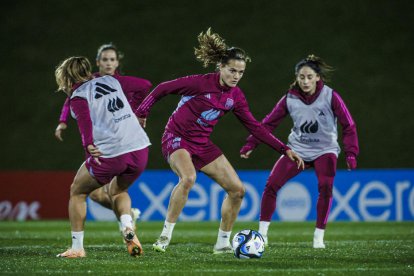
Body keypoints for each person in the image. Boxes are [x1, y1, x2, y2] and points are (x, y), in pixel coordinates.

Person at [136, 28, 304, 254]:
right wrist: (143, 111)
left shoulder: (236, 96)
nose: (236, 76)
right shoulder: (200, 83)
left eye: (241, 72)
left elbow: (254, 126)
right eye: (232, 70)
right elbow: (163, 88)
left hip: (202, 144)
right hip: (176, 138)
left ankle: (223, 243)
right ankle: (165, 236)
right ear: (221, 67)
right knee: (188, 178)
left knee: (237, 190)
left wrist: (284, 149)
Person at [240, 54, 359, 249]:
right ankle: (262, 236)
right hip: (297, 150)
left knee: (326, 188)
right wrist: (251, 144)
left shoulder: (330, 96)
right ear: (296, 77)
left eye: (310, 77)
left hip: (325, 150)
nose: (305, 81)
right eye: (301, 77)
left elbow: (349, 125)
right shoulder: (289, 98)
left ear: (318, 77)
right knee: (271, 185)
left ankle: (318, 238)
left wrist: (351, 153)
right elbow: (269, 123)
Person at [54, 56, 151, 258]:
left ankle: (77, 248)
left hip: (112, 154)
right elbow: (145, 85)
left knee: (77, 191)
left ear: (66, 77)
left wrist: (88, 144)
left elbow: (84, 122)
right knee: (117, 190)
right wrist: (139, 111)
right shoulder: (111, 80)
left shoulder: (79, 96)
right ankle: (127, 225)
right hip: (140, 149)